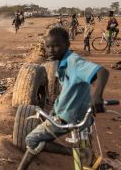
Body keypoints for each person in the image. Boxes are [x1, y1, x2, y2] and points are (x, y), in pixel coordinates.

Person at [17, 27, 109, 170]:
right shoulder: (63, 62)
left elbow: (103, 72)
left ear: (67, 45)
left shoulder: (74, 62)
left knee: (32, 139)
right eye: (48, 47)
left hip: (69, 117)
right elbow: (69, 91)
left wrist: (97, 96)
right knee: (86, 161)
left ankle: (74, 152)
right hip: (76, 115)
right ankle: (84, 156)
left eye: (56, 46)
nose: (51, 50)